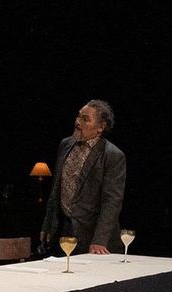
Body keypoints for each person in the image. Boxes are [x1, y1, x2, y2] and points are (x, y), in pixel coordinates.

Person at [40, 100, 126, 254]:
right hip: (63, 230)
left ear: (101, 127)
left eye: (85, 119)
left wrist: (99, 240)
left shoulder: (112, 156)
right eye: (78, 116)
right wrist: (47, 225)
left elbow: (112, 201)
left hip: (91, 234)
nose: (78, 122)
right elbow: (55, 190)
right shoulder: (65, 144)